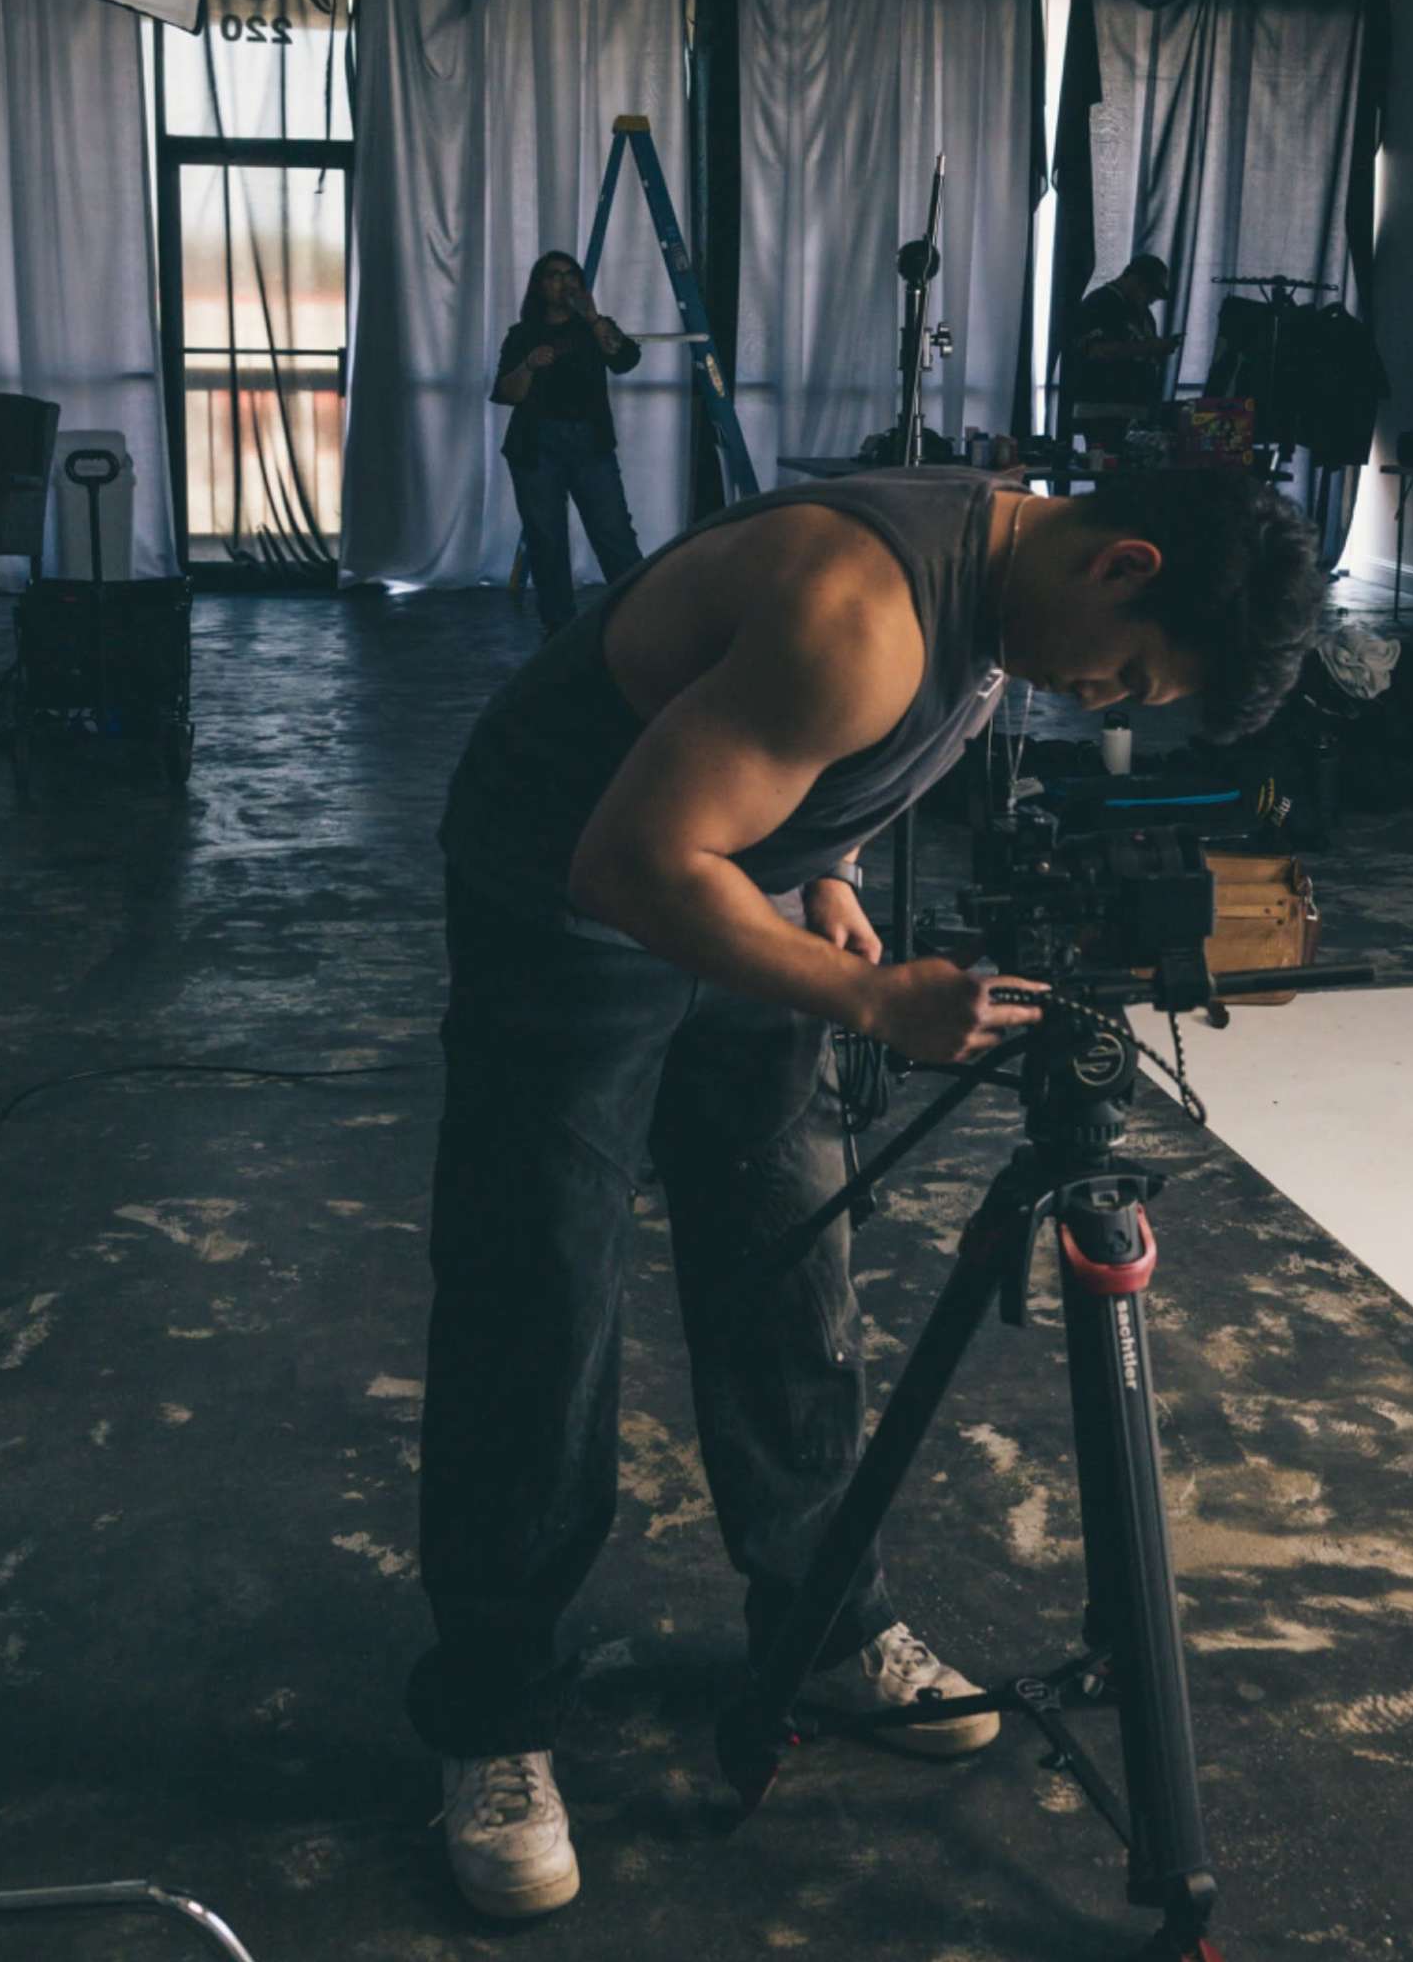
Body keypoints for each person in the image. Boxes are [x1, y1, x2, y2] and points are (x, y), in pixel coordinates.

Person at [418, 460, 1327, 1920]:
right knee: (542, 1293)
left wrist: (829, 859)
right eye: (1131, 673)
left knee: (791, 1257)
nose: (1104, 702)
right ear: (1123, 564)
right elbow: (631, 857)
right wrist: (870, 1000)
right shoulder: (865, 614)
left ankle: (825, 1625)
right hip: (573, 890)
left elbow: (791, 754)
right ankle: (491, 1714)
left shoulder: (1003, 566)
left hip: (735, 872)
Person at [493, 252, 644, 634]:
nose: (564, 282)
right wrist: (528, 365)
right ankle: (559, 628)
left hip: (589, 444)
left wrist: (593, 318)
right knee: (547, 540)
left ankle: (640, 617)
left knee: (614, 533)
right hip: (535, 446)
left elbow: (625, 359)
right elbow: (507, 394)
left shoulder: (595, 328)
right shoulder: (522, 334)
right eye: (554, 275)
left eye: (570, 274)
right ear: (540, 286)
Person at [1063, 255, 1177, 454]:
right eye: (1150, 291)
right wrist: (1150, 348)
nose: (1152, 300)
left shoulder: (1143, 313)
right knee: (1110, 474)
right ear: (1133, 279)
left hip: (1133, 413)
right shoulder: (1100, 302)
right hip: (1102, 411)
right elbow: (1096, 351)